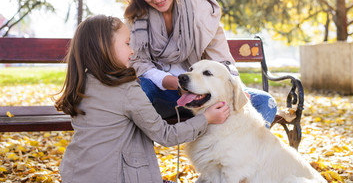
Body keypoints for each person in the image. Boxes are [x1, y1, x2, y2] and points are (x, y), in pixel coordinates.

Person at [54, 15, 229, 183]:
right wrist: (206, 118)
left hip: (75, 174)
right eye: (127, 43)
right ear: (104, 47)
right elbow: (165, 135)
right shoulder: (126, 89)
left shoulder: (80, 85)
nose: (132, 51)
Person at [120, 0, 277, 128]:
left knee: (265, 102)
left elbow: (221, 60)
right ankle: (135, 156)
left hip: (205, 95)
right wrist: (174, 83)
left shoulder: (201, 9)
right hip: (165, 95)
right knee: (139, 92)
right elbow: (139, 64)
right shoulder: (135, 18)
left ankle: (237, 155)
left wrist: (236, 88)